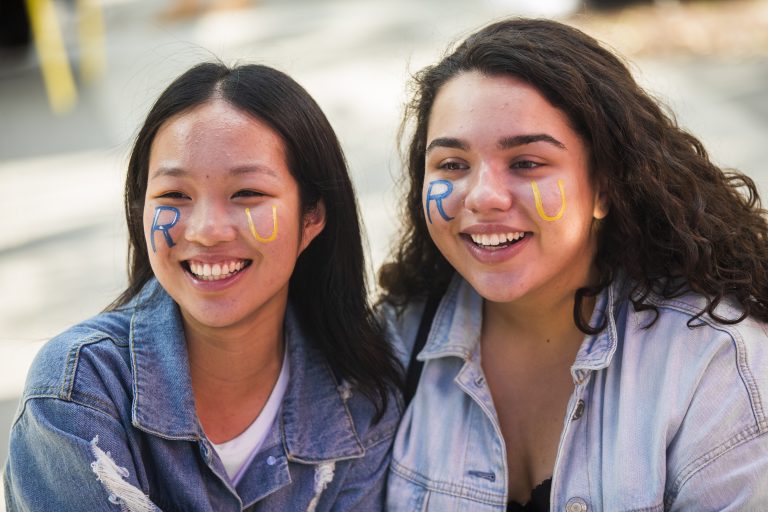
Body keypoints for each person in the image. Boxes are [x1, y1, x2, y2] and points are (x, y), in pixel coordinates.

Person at [378, 18, 768, 511]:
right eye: (453, 165)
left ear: (605, 186)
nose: (483, 197)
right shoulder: (395, 340)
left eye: (526, 162)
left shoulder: (712, 363)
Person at [4, 62, 402, 511]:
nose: (207, 230)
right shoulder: (79, 390)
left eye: (247, 193)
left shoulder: (362, 402)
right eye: (175, 195)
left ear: (311, 217)